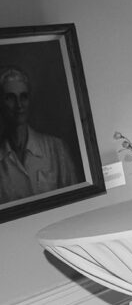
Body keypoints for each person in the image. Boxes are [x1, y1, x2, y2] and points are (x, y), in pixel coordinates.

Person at [0, 66, 78, 203]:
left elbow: (76, 198)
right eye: (10, 98)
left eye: (23, 97)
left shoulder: (57, 148)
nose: (19, 105)